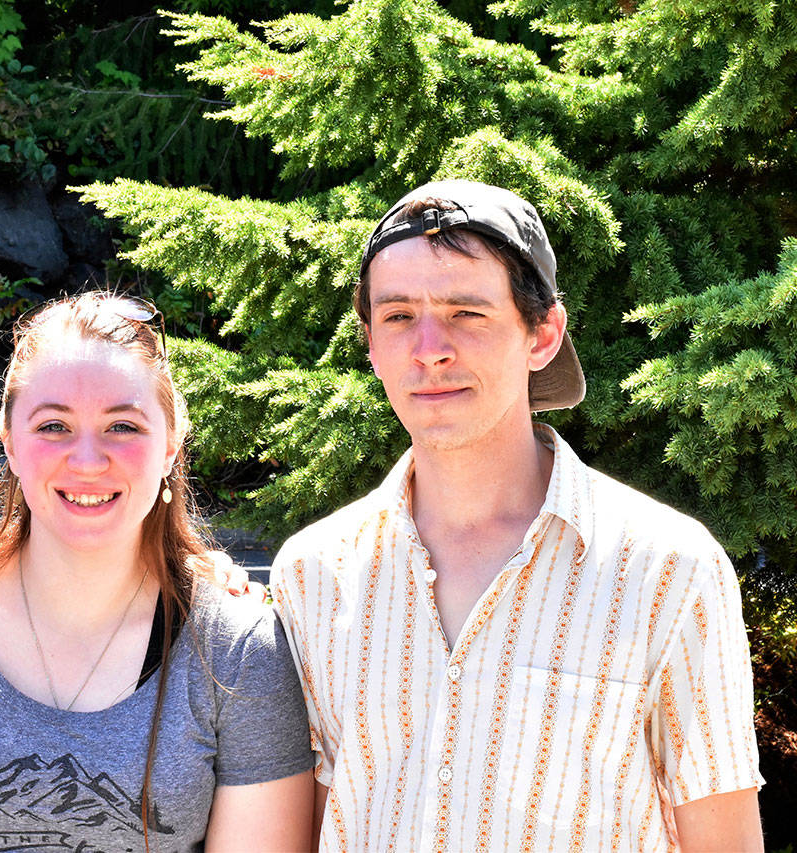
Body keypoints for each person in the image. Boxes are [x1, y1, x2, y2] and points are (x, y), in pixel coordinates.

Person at [270, 180, 764, 851]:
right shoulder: (312, 574)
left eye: (466, 313)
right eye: (397, 317)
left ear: (543, 334)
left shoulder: (669, 568)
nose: (429, 348)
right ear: (370, 344)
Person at [0, 292, 315, 852]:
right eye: (54, 426)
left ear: (171, 446)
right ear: (9, 442)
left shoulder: (237, 651)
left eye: (123, 427)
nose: (87, 461)